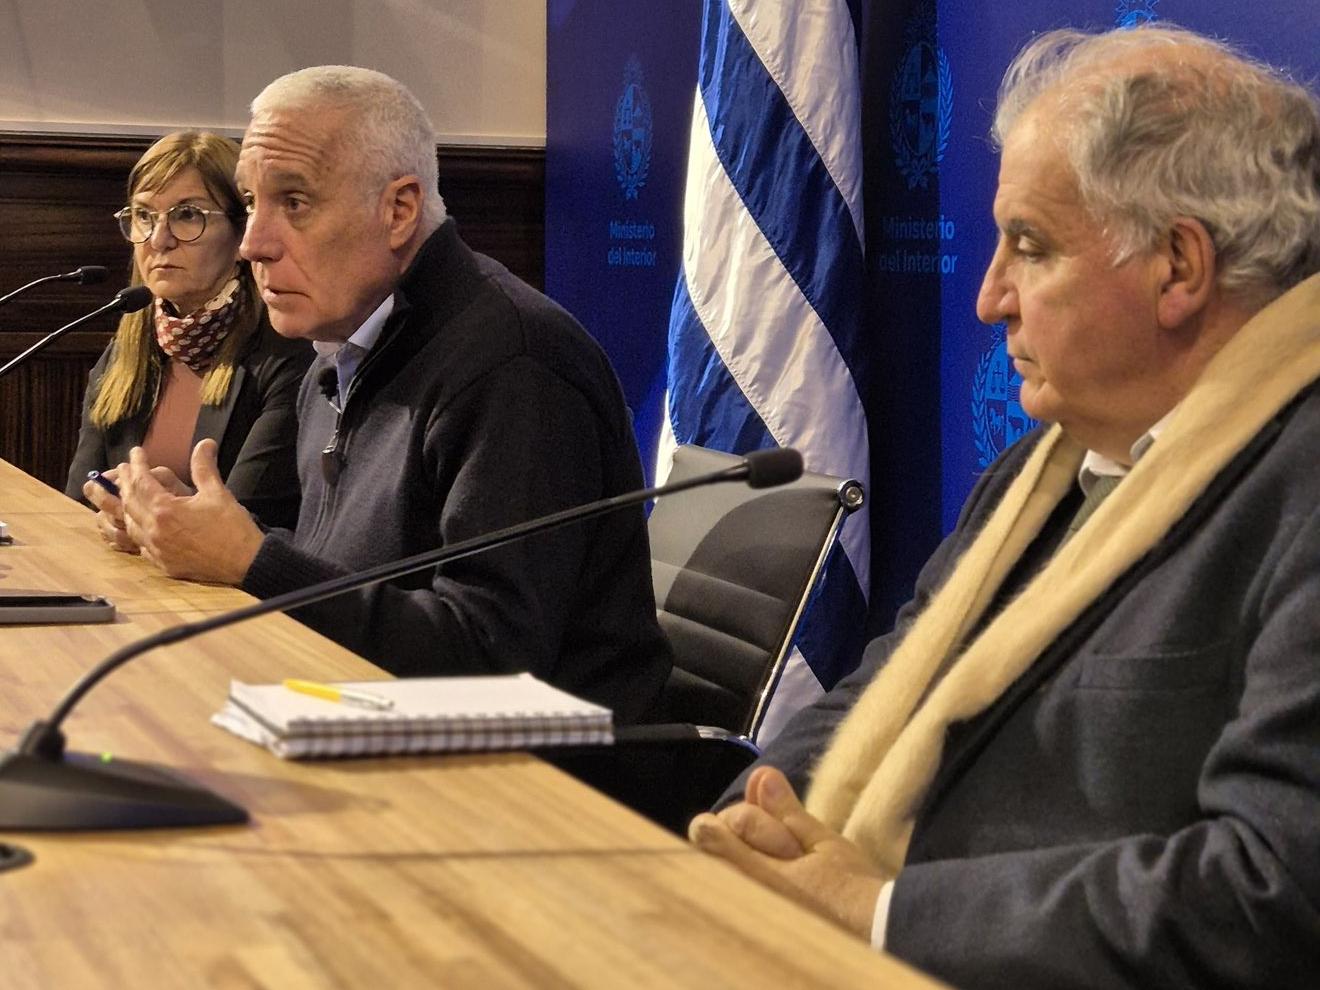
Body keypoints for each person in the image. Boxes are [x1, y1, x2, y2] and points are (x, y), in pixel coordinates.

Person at [689, 24, 1320, 988]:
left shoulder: (1301, 485)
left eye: (1031, 247)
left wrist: (878, 912)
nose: (989, 299)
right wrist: (752, 823)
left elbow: (1271, 893)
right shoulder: (1043, 469)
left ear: (1179, 270)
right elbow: (890, 678)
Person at [115, 67, 671, 724]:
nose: (253, 244)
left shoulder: (514, 364)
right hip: (367, 717)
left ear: (399, 210)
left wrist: (253, 562)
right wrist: (191, 530)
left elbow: (491, 659)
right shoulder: (345, 344)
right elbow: (351, 568)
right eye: (251, 202)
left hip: (537, 784)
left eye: (293, 203)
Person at [67, 131, 311, 536]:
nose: (159, 240)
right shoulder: (127, 350)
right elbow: (80, 496)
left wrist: (160, 515)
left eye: (187, 216)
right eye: (144, 216)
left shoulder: (287, 356)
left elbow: (246, 529)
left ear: (241, 237)